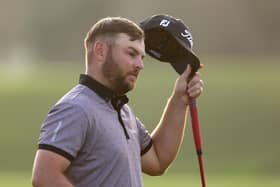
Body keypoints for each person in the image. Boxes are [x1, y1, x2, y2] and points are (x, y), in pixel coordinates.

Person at [31, 16, 204, 187]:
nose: (140, 65)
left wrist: (179, 100)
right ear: (100, 51)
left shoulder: (122, 111)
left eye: (142, 57)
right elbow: (44, 176)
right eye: (131, 53)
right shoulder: (75, 108)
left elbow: (157, 160)